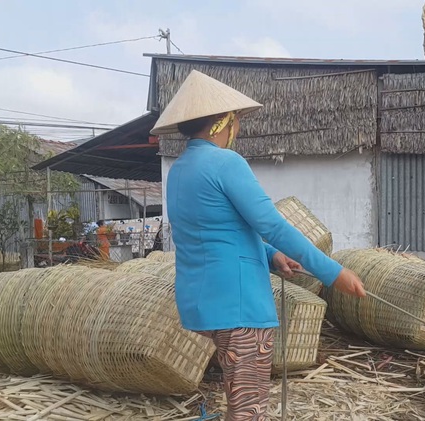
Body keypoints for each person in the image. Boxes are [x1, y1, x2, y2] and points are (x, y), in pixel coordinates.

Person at [151, 70, 366, 421]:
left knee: (240, 403)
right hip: (241, 307)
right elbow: (271, 224)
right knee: (249, 410)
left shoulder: (180, 169)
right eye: (234, 122)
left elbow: (213, 230)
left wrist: (270, 256)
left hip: (204, 302)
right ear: (222, 122)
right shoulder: (225, 162)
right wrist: (332, 271)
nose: (237, 129)